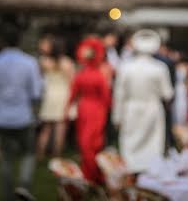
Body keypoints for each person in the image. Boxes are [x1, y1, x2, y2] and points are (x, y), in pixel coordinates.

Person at [0, 23, 42, 201]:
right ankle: (23, 186)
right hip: (24, 117)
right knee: (29, 154)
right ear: (20, 41)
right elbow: (36, 93)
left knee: (6, 158)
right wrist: (35, 114)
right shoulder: (29, 62)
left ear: (2, 41)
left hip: (2, 119)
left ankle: (8, 196)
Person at [113, 30, 173, 173]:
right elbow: (167, 94)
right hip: (152, 109)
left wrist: (117, 117)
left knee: (131, 145)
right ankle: (150, 178)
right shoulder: (160, 67)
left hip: (131, 109)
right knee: (152, 146)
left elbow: (119, 94)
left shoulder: (125, 67)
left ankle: (132, 177)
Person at [65, 37, 110, 184]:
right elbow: (106, 98)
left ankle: (91, 172)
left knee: (86, 143)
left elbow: (72, 95)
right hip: (97, 110)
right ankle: (94, 173)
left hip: (85, 109)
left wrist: (67, 110)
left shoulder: (81, 75)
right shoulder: (99, 76)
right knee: (93, 143)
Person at [37, 37, 75, 158]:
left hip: (49, 95)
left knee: (46, 128)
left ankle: (40, 154)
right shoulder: (67, 63)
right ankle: (57, 155)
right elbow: (72, 81)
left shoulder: (44, 62)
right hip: (63, 96)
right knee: (60, 128)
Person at [172, 56, 188, 126]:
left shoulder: (184, 66)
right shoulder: (185, 67)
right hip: (179, 88)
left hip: (181, 88)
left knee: (181, 107)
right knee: (178, 107)